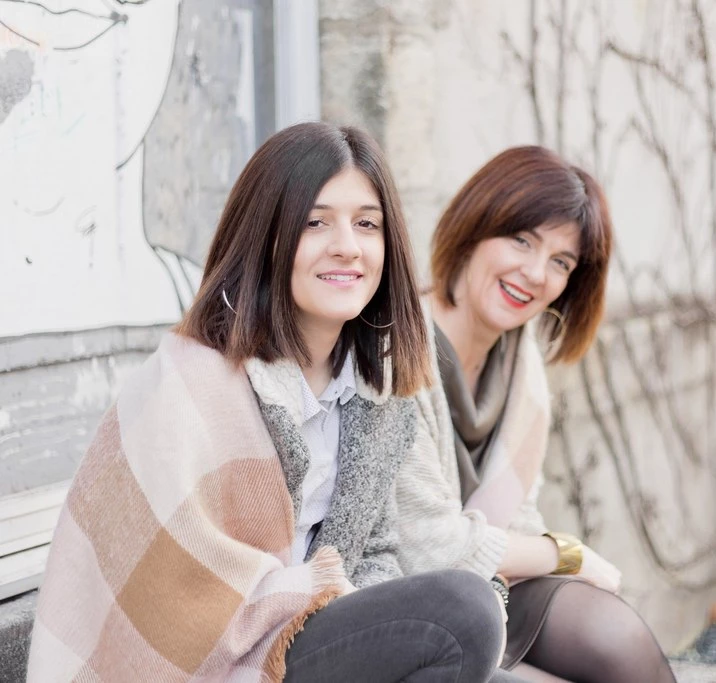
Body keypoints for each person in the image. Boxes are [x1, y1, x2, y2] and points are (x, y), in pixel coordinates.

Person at [27, 122, 512, 683]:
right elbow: (173, 591)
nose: (347, 247)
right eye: (315, 221)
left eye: (366, 224)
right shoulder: (190, 384)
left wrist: (354, 607)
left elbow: (376, 549)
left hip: (308, 644)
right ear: (266, 236)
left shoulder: (374, 396)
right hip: (219, 664)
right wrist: (315, 596)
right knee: (466, 612)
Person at [395, 146, 675, 682]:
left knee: (616, 641)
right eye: (521, 240)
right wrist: (566, 554)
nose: (534, 273)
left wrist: (548, 559)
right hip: (399, 602)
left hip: (486, 585)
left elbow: (516, 518)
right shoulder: (396, 352)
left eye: (561, 262)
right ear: (477, 226)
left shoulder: (520, 364)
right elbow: (423, 545)